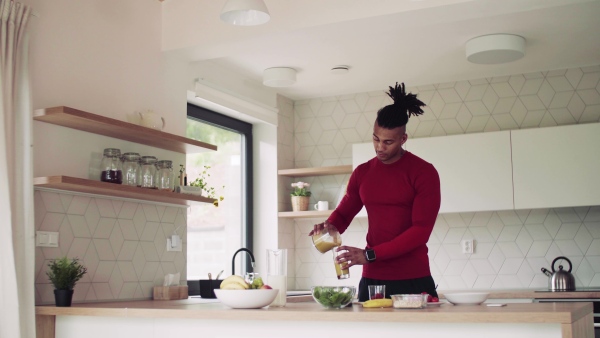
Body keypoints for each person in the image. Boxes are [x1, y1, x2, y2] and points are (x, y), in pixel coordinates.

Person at [309, 82, 441, 302]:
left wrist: (370, 254)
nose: (380, 147)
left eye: (388, 142)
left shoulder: (424, 172)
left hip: (413, 278)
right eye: (376, 139)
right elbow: (344, 213)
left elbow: (421, 231)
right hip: (373, 280)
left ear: (403, 139)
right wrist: (329, 226)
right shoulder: (363, 173)